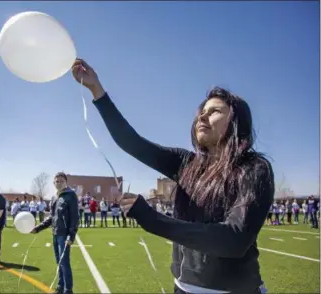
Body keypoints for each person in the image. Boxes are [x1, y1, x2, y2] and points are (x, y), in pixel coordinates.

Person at [72, 59, 274, 294]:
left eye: (214, 111)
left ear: (236, 121)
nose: (202, 117)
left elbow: (235, 239)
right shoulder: (186, 163)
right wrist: (97, 90)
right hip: (182, 287)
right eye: (201, 112)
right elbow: (131, 142)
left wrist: (153, 219)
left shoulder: (254, 168)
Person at [31, 172, 79, 294]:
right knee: (59, 263)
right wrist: (37, 228)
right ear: (54, 183)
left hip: (64, 235)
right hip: (55, 234)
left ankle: (68, 290)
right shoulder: (54, 197)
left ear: (66, 182)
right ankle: (60, 287)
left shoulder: (71, 195)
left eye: (61, 181)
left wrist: (71, 236)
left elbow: (75, 218)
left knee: (65, 263)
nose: (59, 183)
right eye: (56, 181)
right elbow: (52, 217)